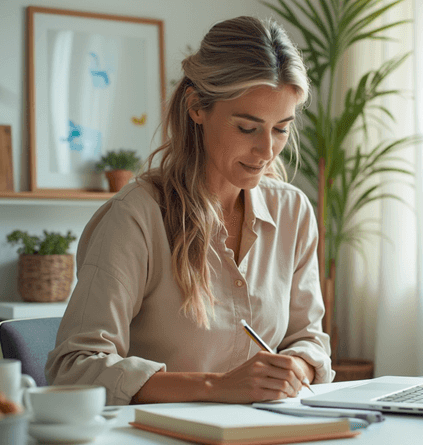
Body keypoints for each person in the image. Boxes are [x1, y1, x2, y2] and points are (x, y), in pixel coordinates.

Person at [44, 16, 334, 406]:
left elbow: (307, 338)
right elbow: (73, 368)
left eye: (280, 128)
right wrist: (217, 388)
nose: (267, 152)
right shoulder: (137, 217)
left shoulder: (292, 211)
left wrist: (293, 369)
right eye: (247, 128)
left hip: (263, 437)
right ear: (197, 106)